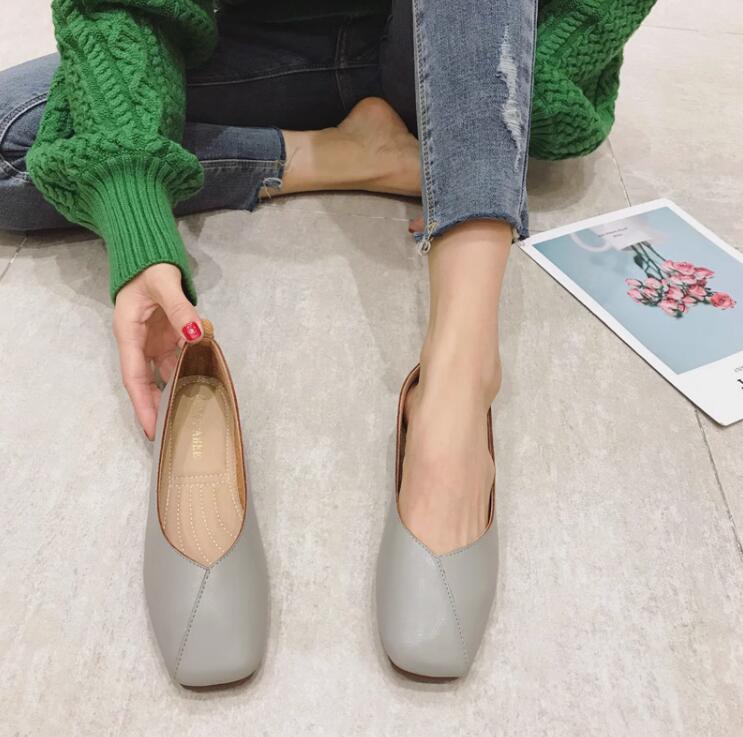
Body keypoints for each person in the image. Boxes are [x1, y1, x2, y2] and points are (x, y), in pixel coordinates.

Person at [0, 0, 654, 676]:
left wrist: (497, 87)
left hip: (447, 34)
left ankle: (460, 381)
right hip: (260, 42)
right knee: (11, 140)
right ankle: (350, 155)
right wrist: (133, 206)